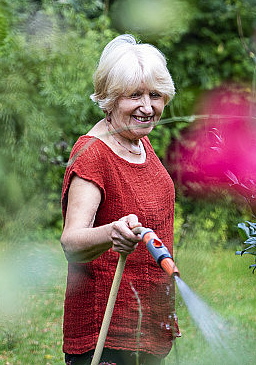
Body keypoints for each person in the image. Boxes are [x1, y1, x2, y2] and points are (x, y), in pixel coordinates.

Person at [60, 34, 178, 365]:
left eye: (155, 95)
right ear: (110, 99)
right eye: (134, 95)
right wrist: (112, 233)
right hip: (107, 336)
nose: (147, 107)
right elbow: (71, 242)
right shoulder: (93, 154)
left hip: (145, 326)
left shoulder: (138, 141)